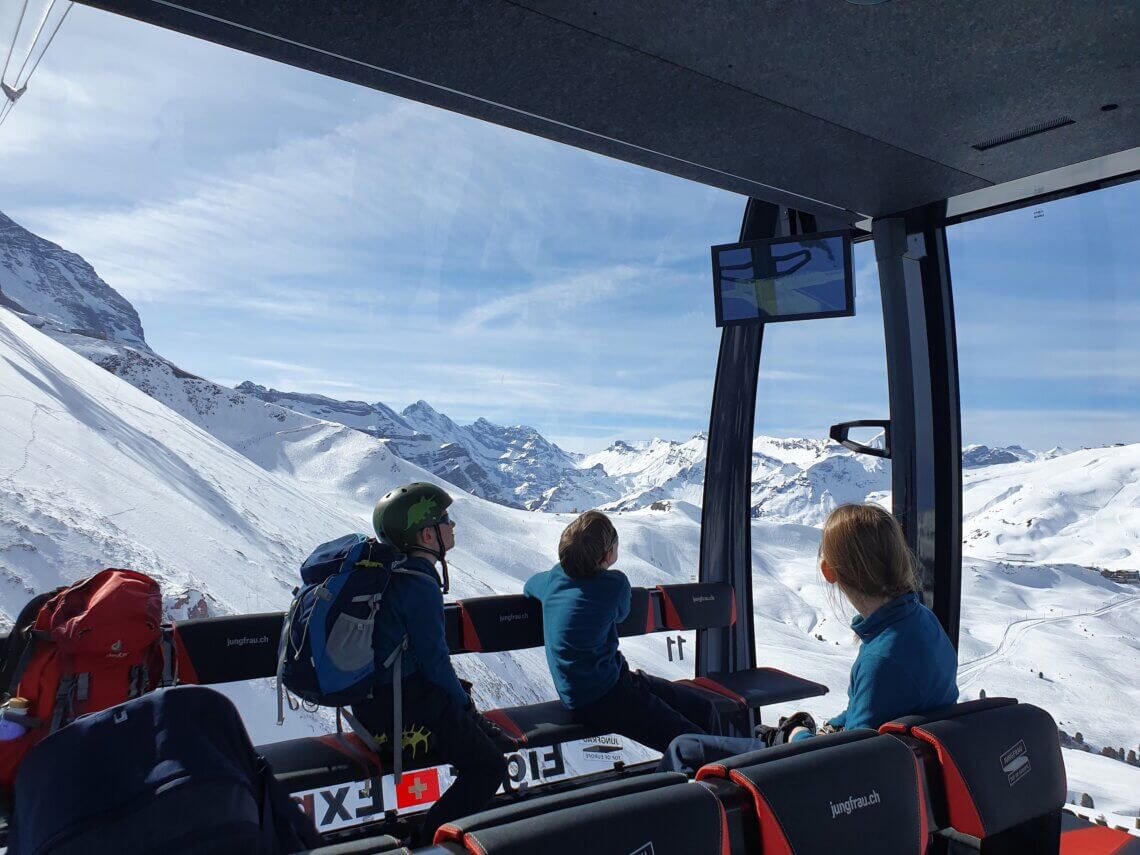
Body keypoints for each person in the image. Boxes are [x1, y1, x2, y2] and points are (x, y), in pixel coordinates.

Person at [658, 502, 959, 774]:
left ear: (829, 572)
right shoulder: (921, 623)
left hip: (836, 788)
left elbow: (852, 763)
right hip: (902, 774)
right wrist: (834, 726)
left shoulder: (881, 659)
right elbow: (877, 715)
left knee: (686, 749)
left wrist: (797, 737)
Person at [355, 482, 512, 846]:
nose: (452, 526)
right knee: (489, 768)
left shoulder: (391, 573)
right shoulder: (419, 585)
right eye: (445, 520)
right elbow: (434, 662)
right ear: (427, 534)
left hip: (372, 704)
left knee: (469, 718)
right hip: (399, 709)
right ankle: (427, 839)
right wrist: (463, 706)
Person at [524, 510, 721, 754]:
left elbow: (529, 586)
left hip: (597, 687)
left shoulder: (553, 579)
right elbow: (621, 613)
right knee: (698, 744)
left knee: (703, 712)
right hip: (605, 697)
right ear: (608, 555)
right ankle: (718, 778)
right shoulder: (614, 584)